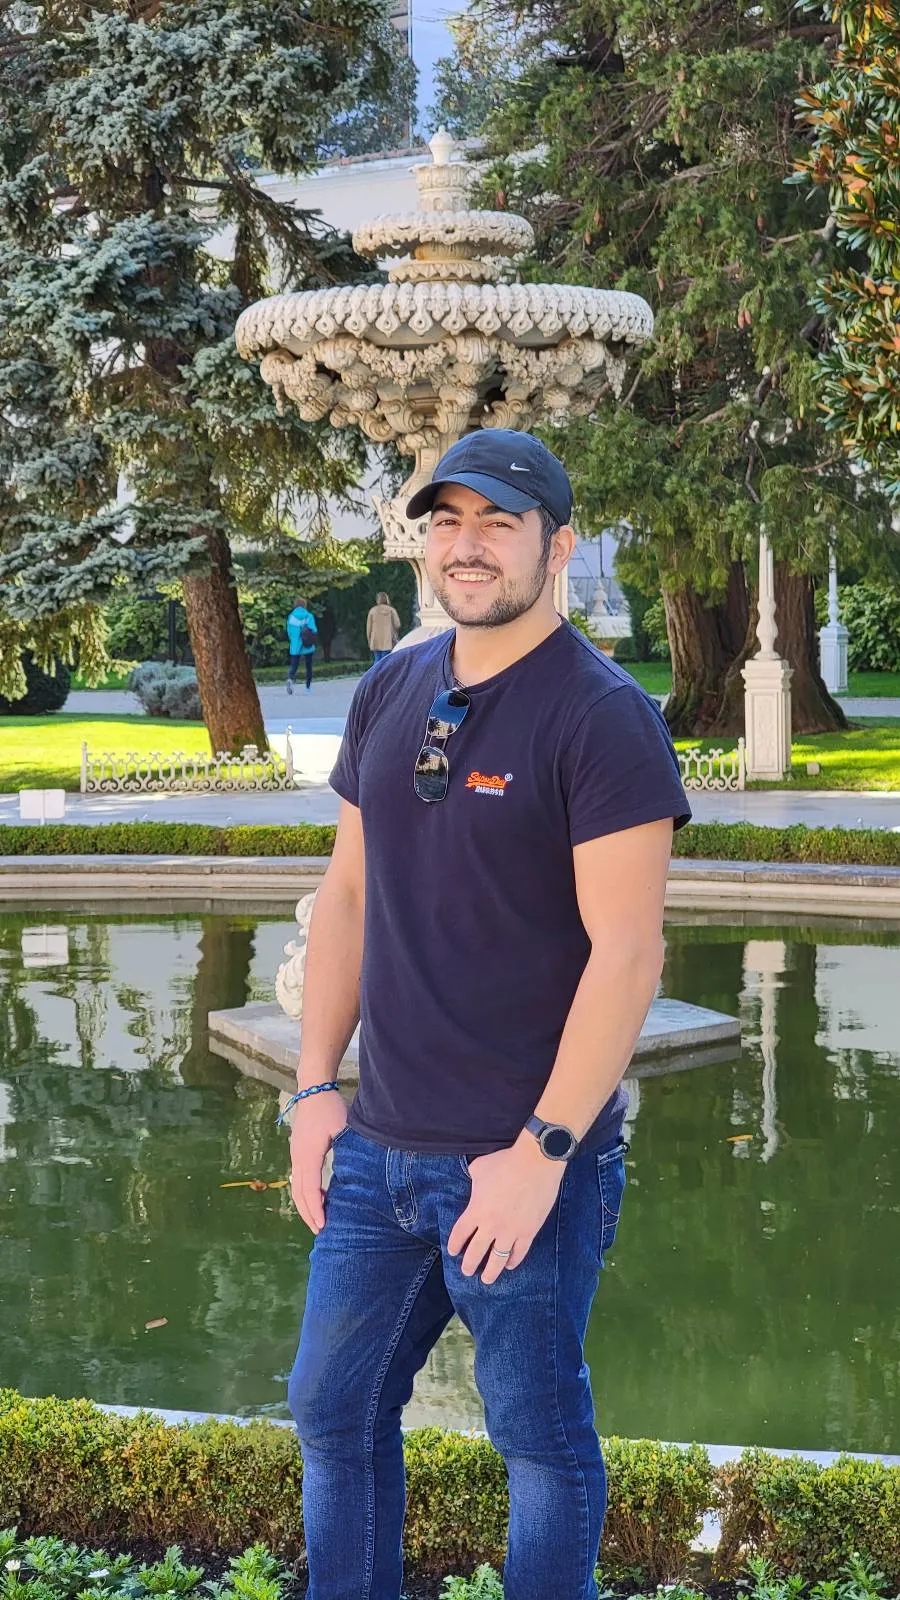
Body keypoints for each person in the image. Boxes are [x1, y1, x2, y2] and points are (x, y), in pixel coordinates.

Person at [283, 429, 692, 1600]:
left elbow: (627, 956)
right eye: (447, 520)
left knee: (538, 1442)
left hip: (524, 1163)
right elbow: (348, 894)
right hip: (378, 1154)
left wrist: (543, 1152)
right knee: (331, 1408)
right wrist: (316, 1090)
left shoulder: (601, 715)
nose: (467, 545)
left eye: (499, 521)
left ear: (557, 546)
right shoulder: (392, 685)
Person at [286, 598, 317, 693]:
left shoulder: (291, 617)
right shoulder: (308, 616)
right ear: (304, 605)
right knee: (308, 666)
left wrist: (294, 640)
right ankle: (308, 687)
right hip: (307, 644)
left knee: (294, 665)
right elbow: (314, 630)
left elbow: (289, 632)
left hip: (295, 645)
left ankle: (290, 679)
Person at [366, 590, 401, 665]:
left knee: (377, 659)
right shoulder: (391, 610)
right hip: (388, 639)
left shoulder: (372, 611)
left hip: (375, 639)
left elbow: (369, 628)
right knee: (386, 660)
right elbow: (397, 624)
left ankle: (376, 675)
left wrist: (369, 640)